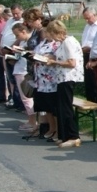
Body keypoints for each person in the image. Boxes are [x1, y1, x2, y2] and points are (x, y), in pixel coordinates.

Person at [45, 20, 84, 148]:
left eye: (52, 34)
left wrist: (54, 63)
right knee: (62, 107)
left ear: (58, 32)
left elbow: (72, 63)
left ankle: (73, 136)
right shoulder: (62, 42)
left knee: (66, 107)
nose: (51, 37)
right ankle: (65, 135)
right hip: (62, 78)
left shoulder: (68, 42)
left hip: (68, 77)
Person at [27, 12, 60, 141]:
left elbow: (54, 57)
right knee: (45, 107)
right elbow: (37, 52)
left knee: (51, 106)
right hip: (40, 79)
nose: (45, 34)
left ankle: (56, 129)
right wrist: (31, 54)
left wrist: (44, 58)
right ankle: (49, 128)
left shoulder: (55, 44)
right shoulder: (43, 43)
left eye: (47, 32)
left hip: (50, 79)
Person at [10, 23, 36, 131]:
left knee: (27, 98)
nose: (16, 38)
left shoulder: (31, 41)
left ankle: (33, 122)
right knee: (25, 98)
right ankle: (31, 120)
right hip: (19, 69)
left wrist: (21, 51)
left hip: (24, 71)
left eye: (17, 35)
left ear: (24, 31)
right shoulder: (23, 41)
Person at [80, 7, 97, 103]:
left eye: (88, 18)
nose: (87, 20)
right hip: (84, 54)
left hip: (94, 55)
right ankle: (90, 102)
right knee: (88, 81)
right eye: (85, 18)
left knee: (95, 81)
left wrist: (90, 48)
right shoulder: (87, 26)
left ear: (95, 15)